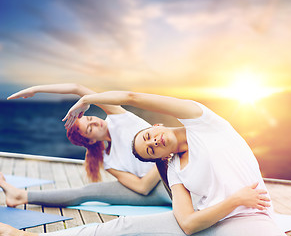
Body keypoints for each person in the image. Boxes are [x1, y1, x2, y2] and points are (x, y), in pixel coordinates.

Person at [0, 90, 285, 236]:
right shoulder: (173, 169)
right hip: (215, 217)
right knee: (123, 226)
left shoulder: (205, 123)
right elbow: (186, 223)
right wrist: (234, 200)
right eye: (150, 150)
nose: (154, 142)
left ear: (157, 125)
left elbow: (132, 97)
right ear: (159, 159)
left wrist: (85, 98)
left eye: (149, 136)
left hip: (253, 219)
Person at [0, 84, 171, 209]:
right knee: (87, 191)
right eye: (90, 129)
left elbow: (77, 88)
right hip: (157, 188)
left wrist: (36, 90)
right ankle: (21, 196)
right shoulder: (109, 161)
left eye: (90, 119)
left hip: (175, 172)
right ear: (90, 141)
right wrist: (166, 157)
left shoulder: (118, 117)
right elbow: (142, 187)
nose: (96, 122)